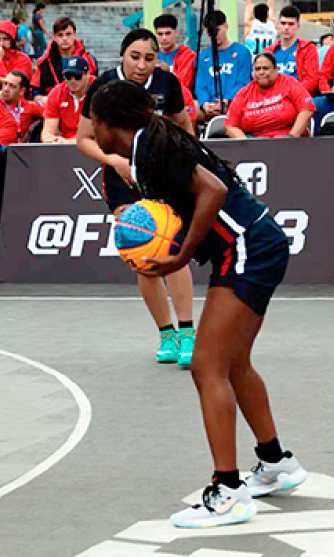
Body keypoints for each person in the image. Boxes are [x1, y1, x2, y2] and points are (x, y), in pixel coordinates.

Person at [88, 80, 307, 528]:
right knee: (234, 362)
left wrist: (183, 254)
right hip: (255, 244)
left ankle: (227, 491)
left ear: (111, 124)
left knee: (208, 366)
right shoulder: (151, 141)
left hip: (248, 248)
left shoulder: (152, 147)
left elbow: (214, 191)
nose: (90, 128)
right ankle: (276, 462)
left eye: (93, 120)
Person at [77, 29, 197, 367]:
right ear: (122, 56)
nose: (142, 65)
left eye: (149, 57)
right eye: (135, 56)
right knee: (143, 253)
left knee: (171, 246)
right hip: (122, 181)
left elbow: (184, 124)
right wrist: (114, 160)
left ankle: (188, 333)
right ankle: (167, 335)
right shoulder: (102, 87)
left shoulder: (167, 84)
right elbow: (83, 139)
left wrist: (187, 158)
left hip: (162, 177)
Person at [225, 53, 315, 138]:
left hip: (289, 140)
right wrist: (247, 144)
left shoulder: (289, 83)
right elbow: (230, 126)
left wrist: (291, 136)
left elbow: (307, 109)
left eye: (265, 68)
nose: (261, 72)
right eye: (257, 69)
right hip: (255, 143)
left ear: (275, 69)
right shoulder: (243, 93)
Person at [195, 10, 254, 121]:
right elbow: (200, 85)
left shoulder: (242, 52)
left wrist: (227, 100)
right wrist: (205, 103)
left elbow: (244, 82)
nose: (214, 35)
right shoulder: (203, 56)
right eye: (210, 32)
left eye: (217, 30)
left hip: (235, 104)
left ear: (226, 27)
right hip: (209, 107)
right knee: (190, 110)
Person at [31, 17, 99, 101]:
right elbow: (35, 92)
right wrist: (46, 100)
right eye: (60, 35)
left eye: (68, 34)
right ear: (54, 37)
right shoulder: (43, 62)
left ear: (75, 35)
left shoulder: (89, 60)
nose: (64, 38)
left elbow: (96, 88)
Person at [265, 5, 319, 95]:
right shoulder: (268, 52)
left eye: (291, 24)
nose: (286, 27)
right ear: (278, 25)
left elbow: (311, 80)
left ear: (298, 26)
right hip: (272, 98)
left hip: (298, 97)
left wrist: (290, 93)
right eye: (283, 23)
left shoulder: (308, 49)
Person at [0, 70, 43, 145]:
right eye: (5, 84)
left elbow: (52, 113)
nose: (6, 89)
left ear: (21, 91)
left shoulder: (30, 107)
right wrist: (2, 80)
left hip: (7, 152)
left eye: (12, 86)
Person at [42, 56, 94, 143]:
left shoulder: (99, 90)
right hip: (64, 147)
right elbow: (47, 133)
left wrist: (69, 142)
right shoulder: (57, 92)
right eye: (68, 76)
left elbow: (101, 135)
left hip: (93, 146)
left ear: (88, 74)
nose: (73, 81)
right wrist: (54, 140)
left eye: (78, 76)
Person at [0, 20, 34, 98]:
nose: (1, 44)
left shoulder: (23, 60)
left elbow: (14, 87)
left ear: (12, 40)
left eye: (6, 39)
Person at [154, 14, 197, 91]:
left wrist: (167, 72)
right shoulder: (152, 56)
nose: (164, 38)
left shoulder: (188, 55)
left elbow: (184, 84)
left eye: (168, 33)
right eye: (160, 34)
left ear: (176, 33)